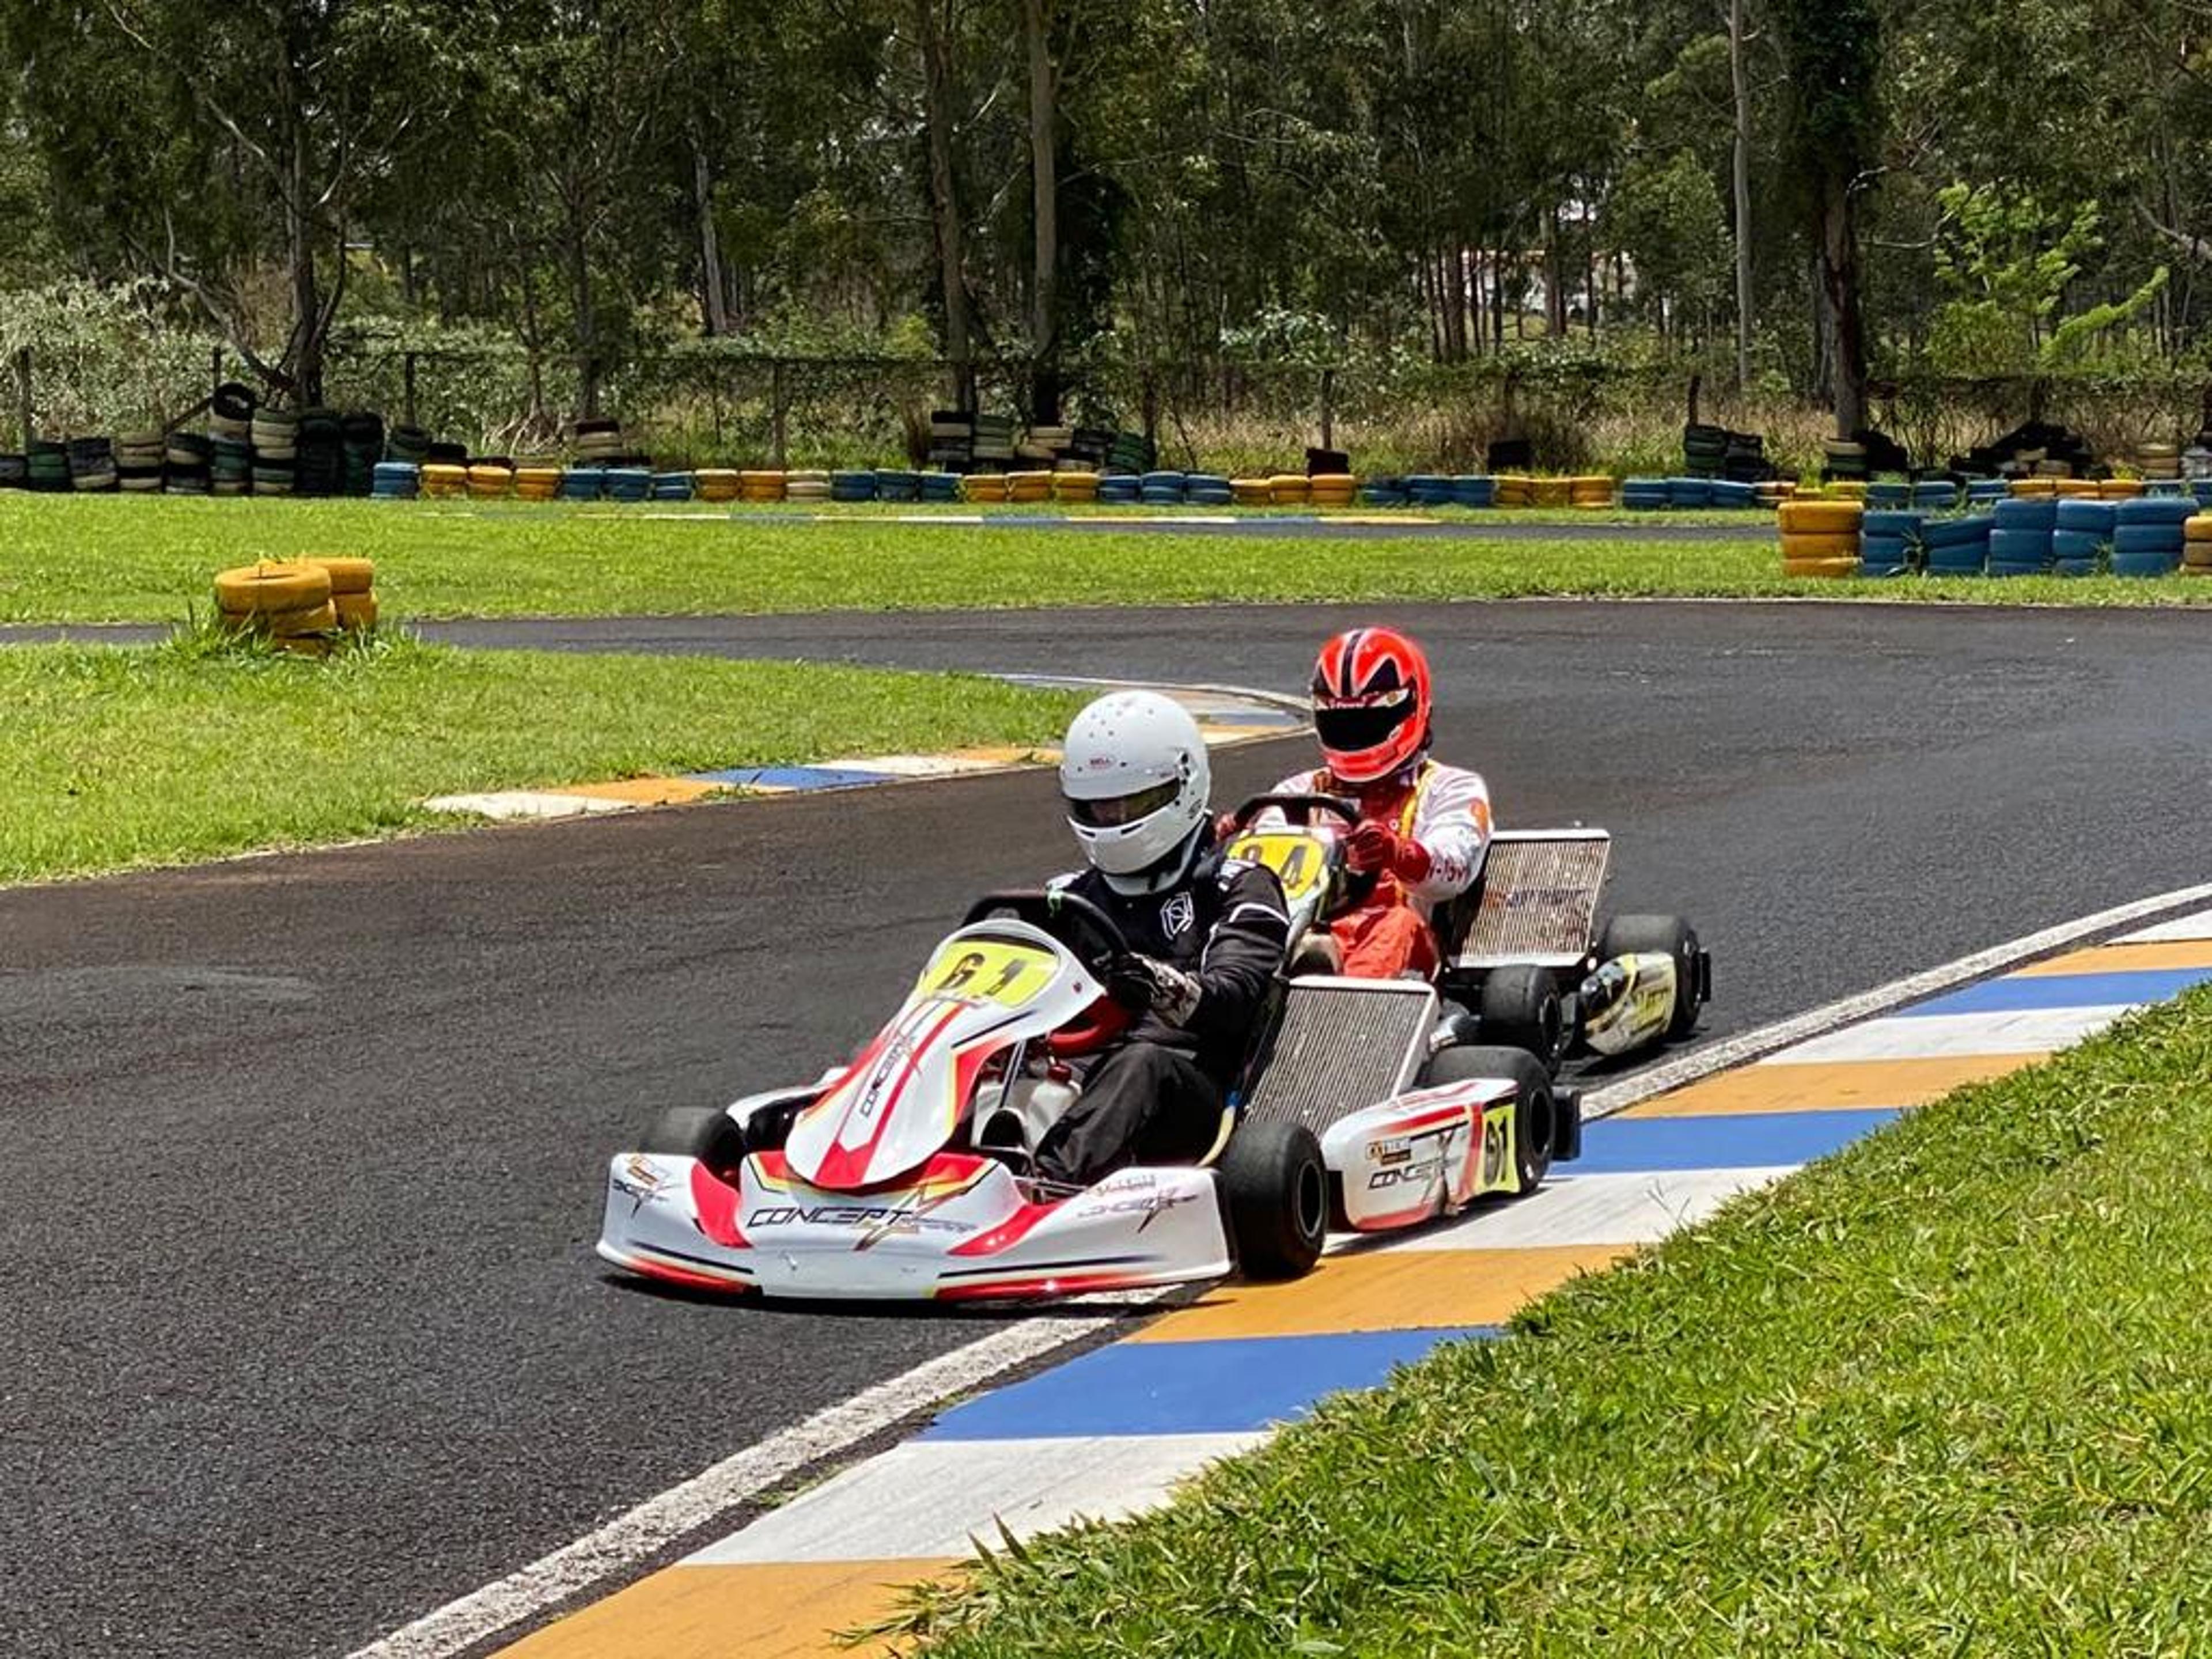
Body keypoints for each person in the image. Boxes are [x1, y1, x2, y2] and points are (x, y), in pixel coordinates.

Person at [1033, 690, 1290, 1188]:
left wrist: (1162, 986)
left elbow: (1235, 998)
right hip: (1075, 1074)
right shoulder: (1065, 897)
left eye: (1129, 803)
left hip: (1188, 1092)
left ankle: (1047, 1191)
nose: (1110, 818)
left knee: (1139, 1065)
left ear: (1183, 785)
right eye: (1097, 807)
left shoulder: (1238, 883)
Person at [1262, 626, 1491, 980]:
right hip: (1304, 933)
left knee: (1396, 923)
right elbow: (1262, 866)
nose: (1354, 733)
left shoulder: (1451, 788)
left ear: (1410, 708)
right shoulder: (1298, 791)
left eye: (1367, 721)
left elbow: (1454, 865)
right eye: (1343, 721)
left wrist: (1396, 854)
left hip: (1404, 946)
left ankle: (1343, 1006)